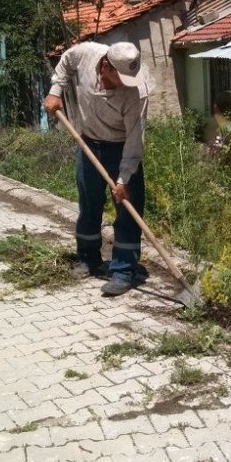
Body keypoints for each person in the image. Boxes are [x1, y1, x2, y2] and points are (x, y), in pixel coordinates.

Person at [43, 41, 152, 297]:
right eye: (121, 77)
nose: (127, 82)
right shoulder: (86, 54)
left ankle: (124, 270)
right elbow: (66, 61)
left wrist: (124, 179)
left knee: (127, 208)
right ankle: (88, 258)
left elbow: (136, 140)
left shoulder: (138, 92)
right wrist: (55, 90)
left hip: (121, 148)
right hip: (88, 143)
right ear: (106, 66)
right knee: (89, 204)